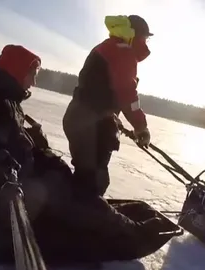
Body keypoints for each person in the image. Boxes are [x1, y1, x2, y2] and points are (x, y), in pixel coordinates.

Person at [0, 44, 166, 265]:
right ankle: (132, 236)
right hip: (6, 215)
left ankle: (117, 224)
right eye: (32, 75)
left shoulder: (2, 98)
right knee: (79, 203)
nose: (33, 82)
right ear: (16, 71)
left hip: (16, 193)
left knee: (76, 193)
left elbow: (7, 136)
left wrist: (32, 142)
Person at [63, 15, 152, 197]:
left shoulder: (107, 46)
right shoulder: (123, 52)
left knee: (85, 178)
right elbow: (127, 93)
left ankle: (69, 216)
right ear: (135, 35)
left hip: (80, 119)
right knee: (92, 183)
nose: (146, 43)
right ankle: (77, 222)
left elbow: (102, 90)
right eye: (145, 38)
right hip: (91, 126)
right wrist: (141, 127)